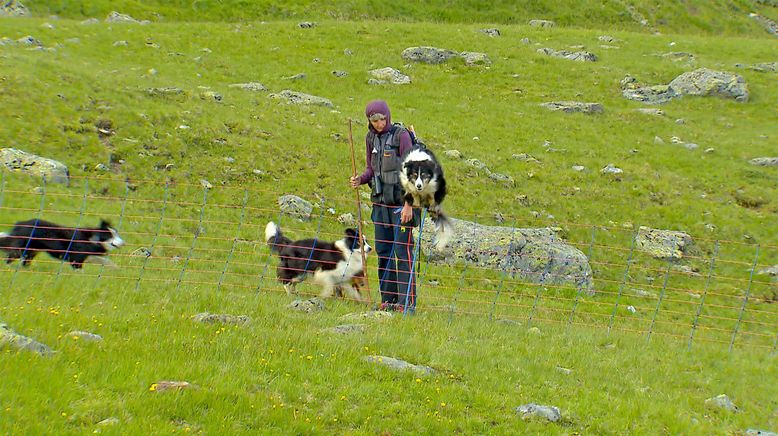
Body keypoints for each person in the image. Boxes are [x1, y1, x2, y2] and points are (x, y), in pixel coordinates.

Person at [349, 100, 421, 313]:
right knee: (384, 252)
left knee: (402, 252)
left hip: (401, 206)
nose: (379, 123)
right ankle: (388, 300)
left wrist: (409, 205)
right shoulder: (371, 137)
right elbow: (371, 169)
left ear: (387, 116)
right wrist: (360, 180)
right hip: (380, 204)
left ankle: (406, 304)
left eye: (381, 119)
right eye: (374, 120)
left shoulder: (401, 136)